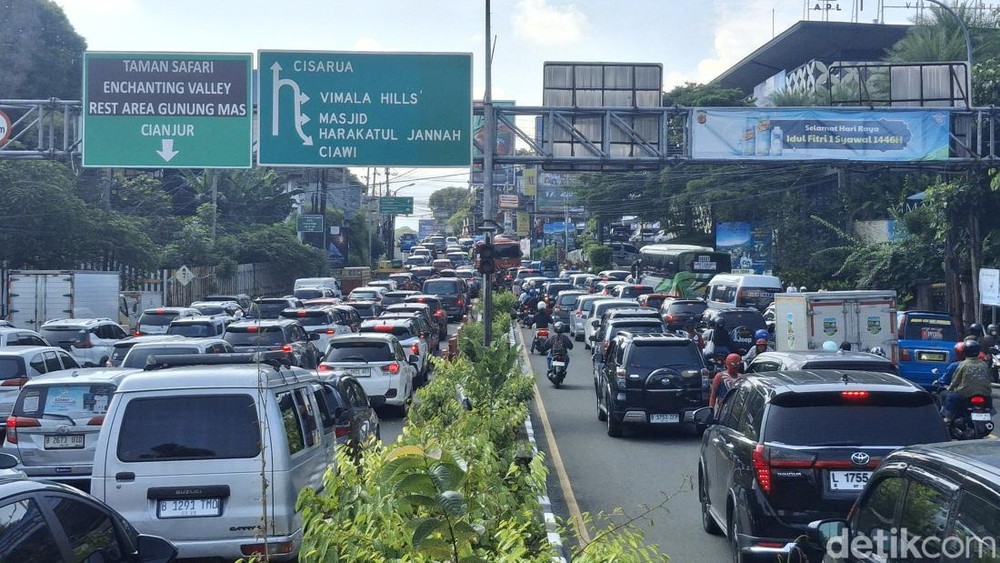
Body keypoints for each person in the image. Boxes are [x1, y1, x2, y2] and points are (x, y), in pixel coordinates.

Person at [942, 339, 993, 423]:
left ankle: (948, 418)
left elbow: (955, 381)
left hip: (965, 394)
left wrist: (950, 388)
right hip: (985, 394)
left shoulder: (963, 364)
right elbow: (989, 379)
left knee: (948, 395)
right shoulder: (984, 364)